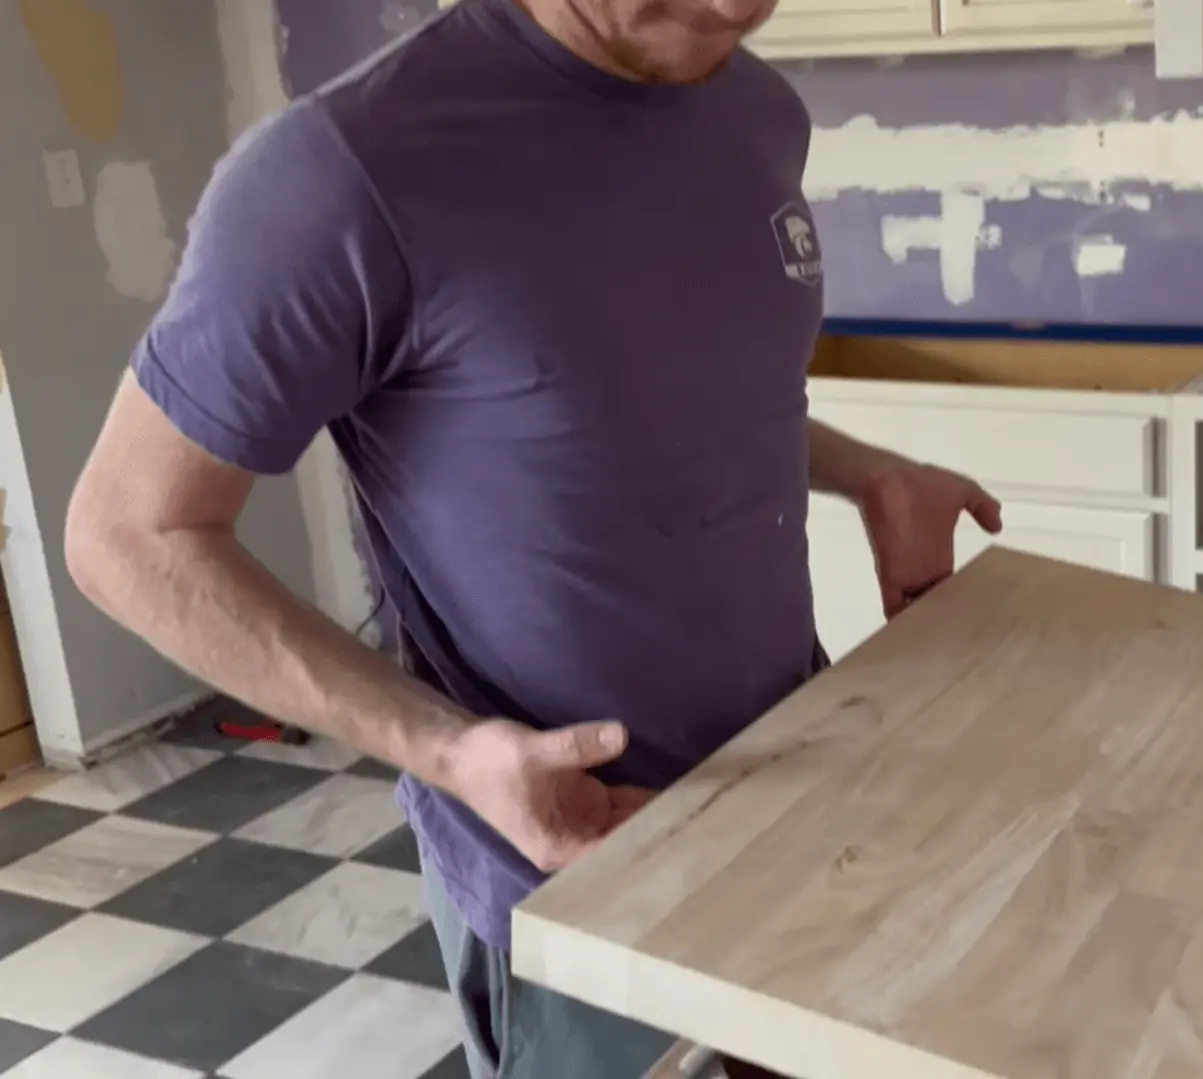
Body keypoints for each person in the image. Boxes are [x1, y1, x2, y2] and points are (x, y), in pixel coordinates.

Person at [63, 0, 1002, 1075]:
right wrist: (449, 752)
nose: (733, 12)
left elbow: (652, 396)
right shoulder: (346, 174)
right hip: (572, 869)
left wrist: (863, 471)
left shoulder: (754, 111)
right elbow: (127, 533)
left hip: (785, 809)